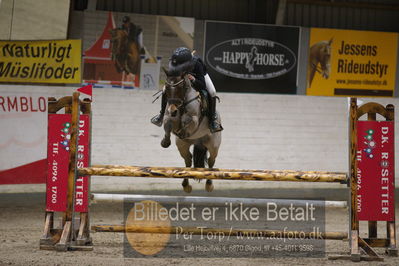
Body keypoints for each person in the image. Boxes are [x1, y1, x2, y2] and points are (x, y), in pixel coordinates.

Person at [151, 47, 223, 133]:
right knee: (164, 89)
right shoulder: (174, 63)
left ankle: (212, 120)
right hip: (182, 80)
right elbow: (171, 77)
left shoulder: (196, 64)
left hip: (199, 77)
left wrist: (193, 79)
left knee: (212, 91)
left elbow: (202, 85)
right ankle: (161, 115)